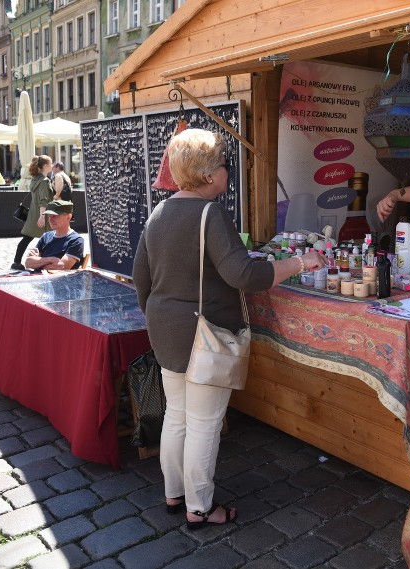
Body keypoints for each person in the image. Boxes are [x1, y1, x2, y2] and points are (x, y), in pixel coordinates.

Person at [133, 129, 324, 530]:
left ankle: (174, 494)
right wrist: (301, 263)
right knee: (203, 424)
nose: (228, 172)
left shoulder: (158, 213)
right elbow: (245, 274)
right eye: (224, 165)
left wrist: (159, 317)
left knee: (177, 416)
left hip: (165, 329)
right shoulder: (210, 213)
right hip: (205, 334)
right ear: (207, 175)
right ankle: (199, 508)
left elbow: (141, 279)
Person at [12, 155, 54, 271]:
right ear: (45, 166)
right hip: (43, 215)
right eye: (51, 164)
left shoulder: (35, 179)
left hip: (33, 214)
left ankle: (16, 262)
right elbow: (43, 201)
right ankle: (46, 263)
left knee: (27, 238)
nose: (52, 166)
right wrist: (42, 216)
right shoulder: (44, 181)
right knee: (51, 238)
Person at [24, 200, 84, 271]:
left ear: (68, 217)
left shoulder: (76, 240)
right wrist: (51, 259)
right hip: (38, 279)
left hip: (58, 281)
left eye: (55, 216)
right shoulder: (45, 236)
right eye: (49, 216)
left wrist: (38, 262)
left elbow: (62, 267)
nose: (50, 220)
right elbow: (28, 263)